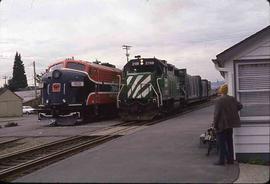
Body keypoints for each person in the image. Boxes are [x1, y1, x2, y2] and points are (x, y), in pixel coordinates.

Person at [213, 84, 243, 165]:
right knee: (230, 142)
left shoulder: (218, 100)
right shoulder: (232, 99)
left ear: (221, 91)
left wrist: (214, 125)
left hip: (221, 125)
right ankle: (230, 160)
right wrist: (233, 110)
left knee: (221, 143)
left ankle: (221, 161)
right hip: (230, 125)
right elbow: (240, 106)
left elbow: (216, 115)